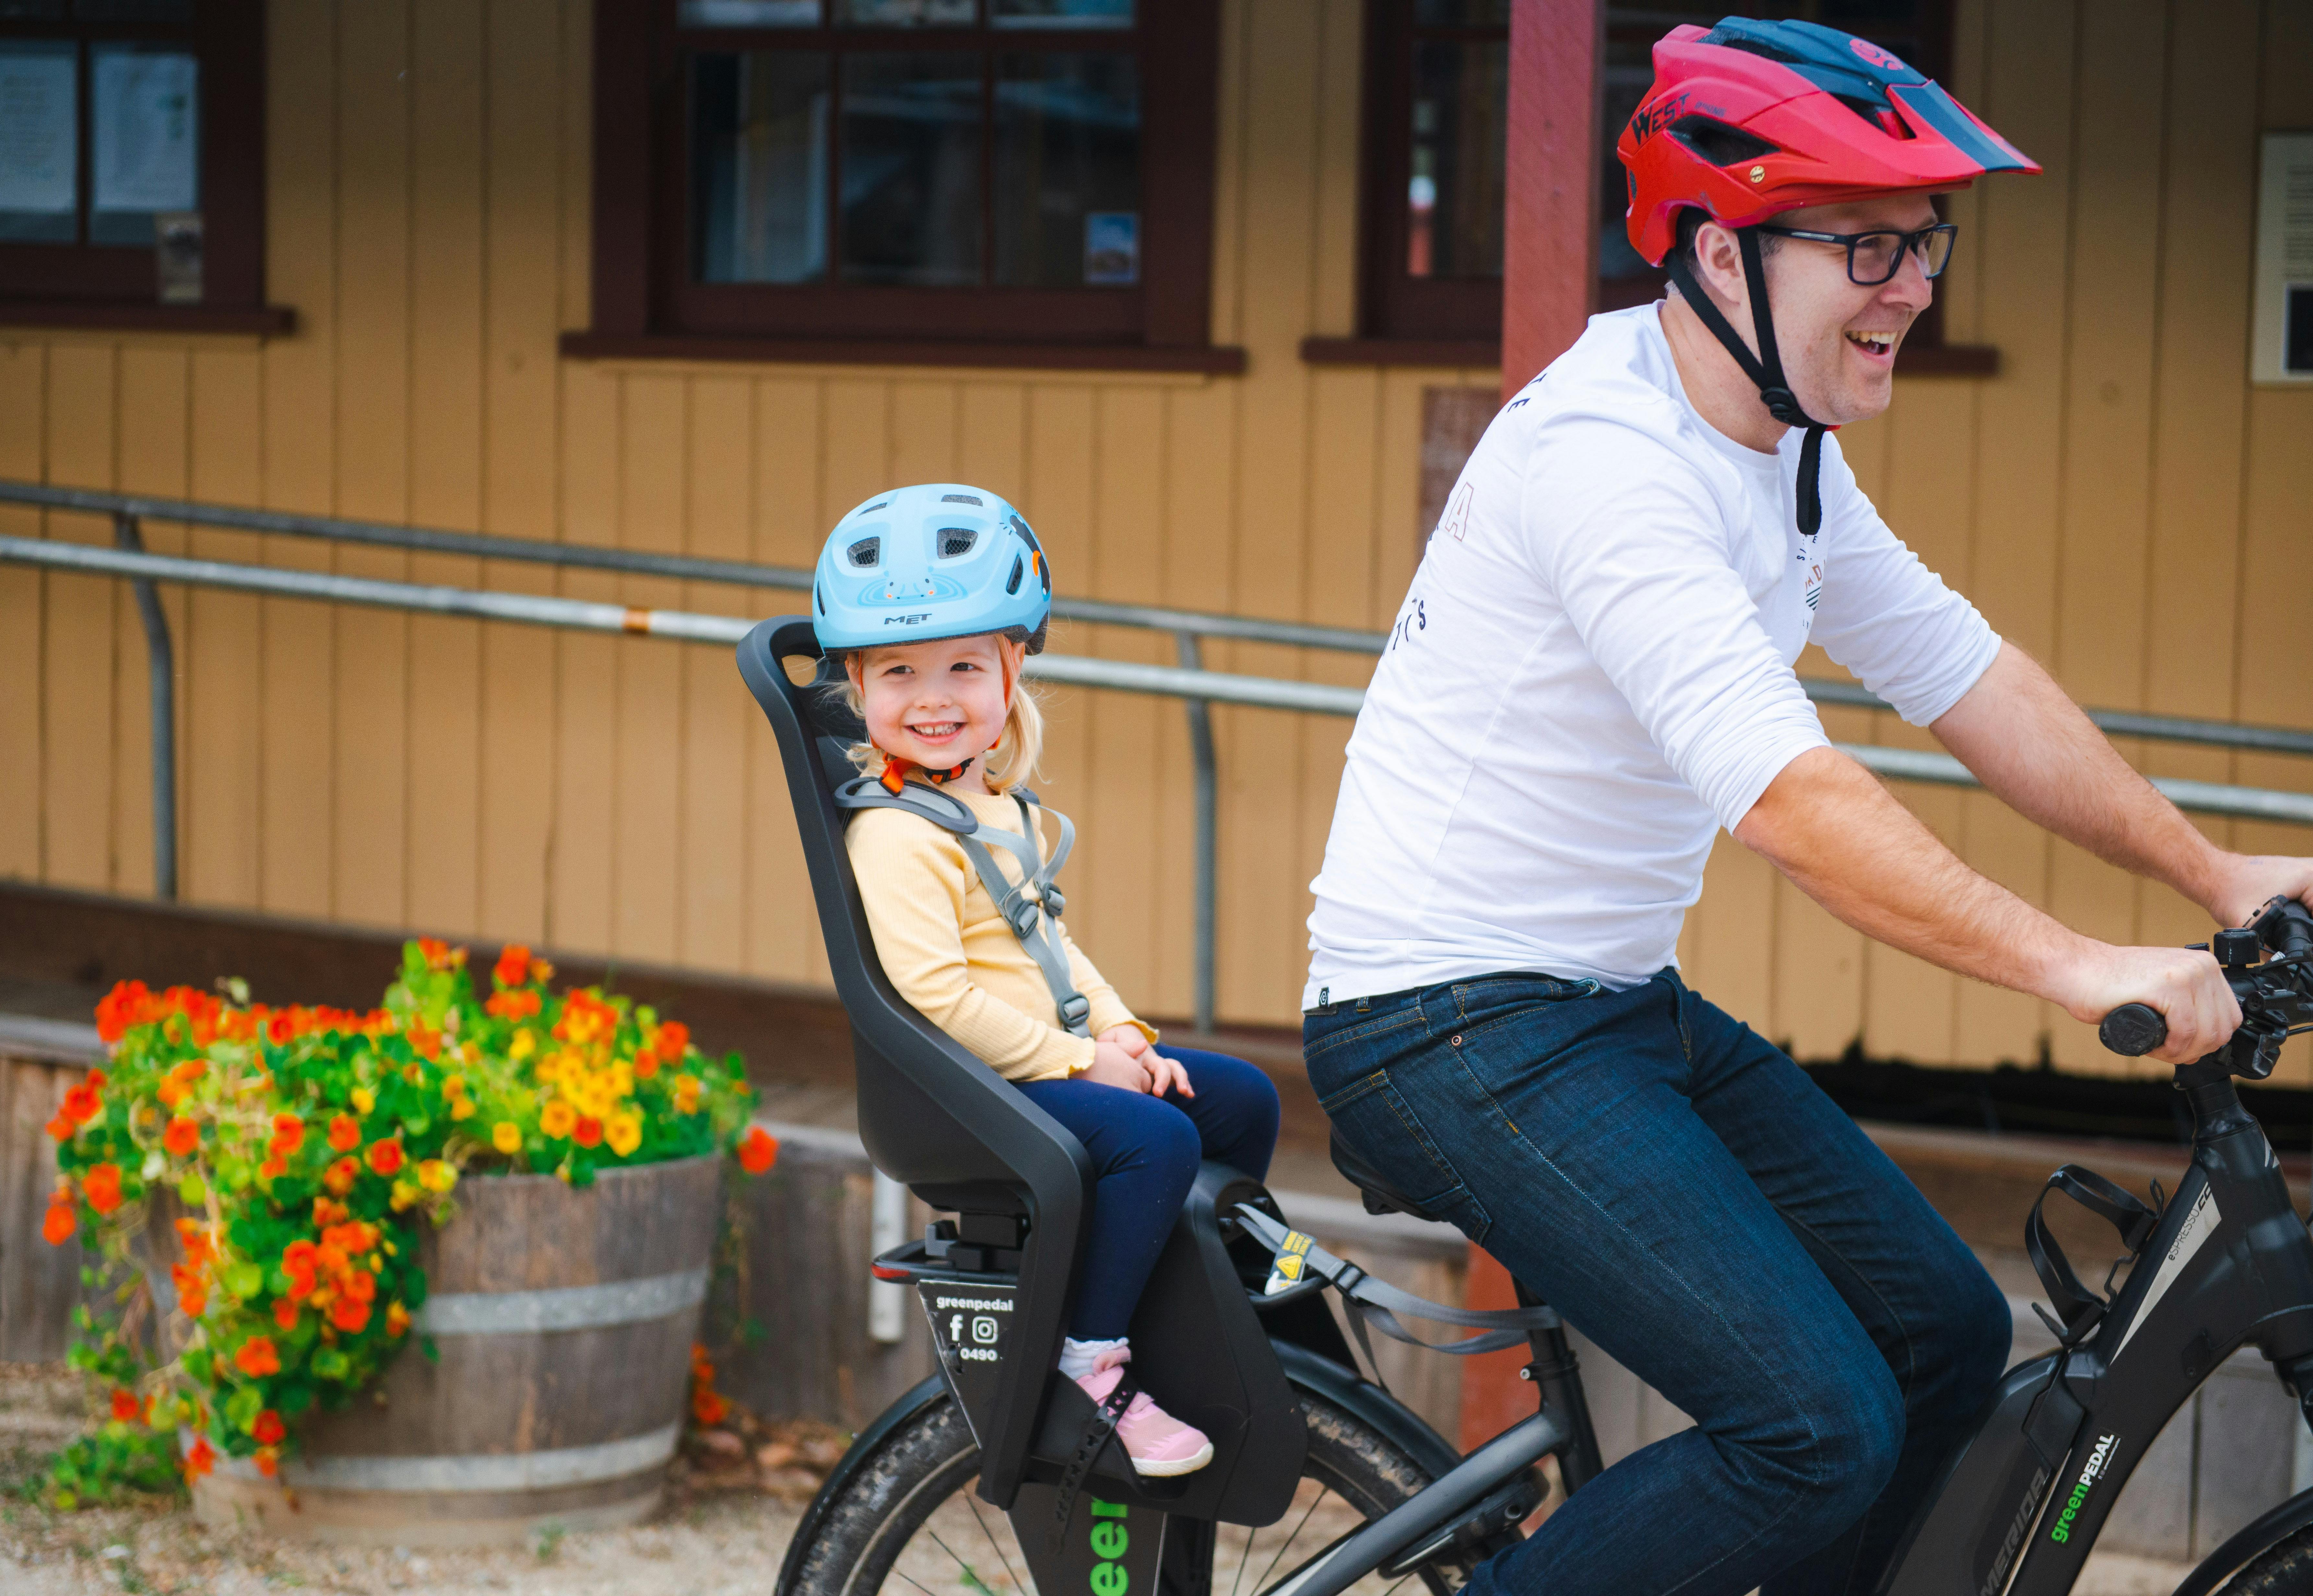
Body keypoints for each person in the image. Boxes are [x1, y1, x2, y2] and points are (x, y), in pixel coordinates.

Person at [1302, 18, 2313, 1596]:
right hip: (1444, 1026)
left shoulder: (1782, 450)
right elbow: (1793, 801)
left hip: (1605, 1004)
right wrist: (2080, 967)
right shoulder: (1607, 460)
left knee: (1941, 1332)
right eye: (1865, 244)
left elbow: (1967, 676)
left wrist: (2214, 868)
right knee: (1813, 1424)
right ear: (1718, 254)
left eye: (1926, 242)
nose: (1912, 285)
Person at [812, 482, 1281, 1480]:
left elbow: (1054, 951)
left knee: (1237, 1099)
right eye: (900, 671)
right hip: (963, 1093)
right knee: (1152, 1138)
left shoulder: (993, 806)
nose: (933, 697)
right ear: (858, 685)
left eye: (963, 667)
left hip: (1037, 1063)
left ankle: (1205, 1305)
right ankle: (1090, 1362)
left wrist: (1129, 1037)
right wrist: (1085, 1063)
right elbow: (938, 1002)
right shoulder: (894, 835)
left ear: (1011, 667)